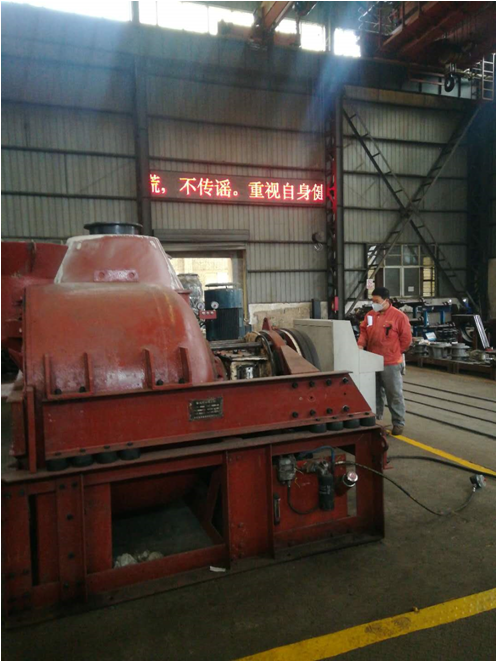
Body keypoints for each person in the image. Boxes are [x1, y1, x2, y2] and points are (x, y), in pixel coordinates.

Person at [357, 287, 412, 436]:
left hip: (391, 362)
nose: (373, 304)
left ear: (386, 301)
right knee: (374, 392)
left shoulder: (399, 317)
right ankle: (376, 420)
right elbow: (364, 331)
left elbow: (406, 339)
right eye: (372, 301)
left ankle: (398, 423)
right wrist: (361, 344)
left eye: (376, 301)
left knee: (394, 393)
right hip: (372, 360)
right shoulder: (370, 315)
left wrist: (395, 351)